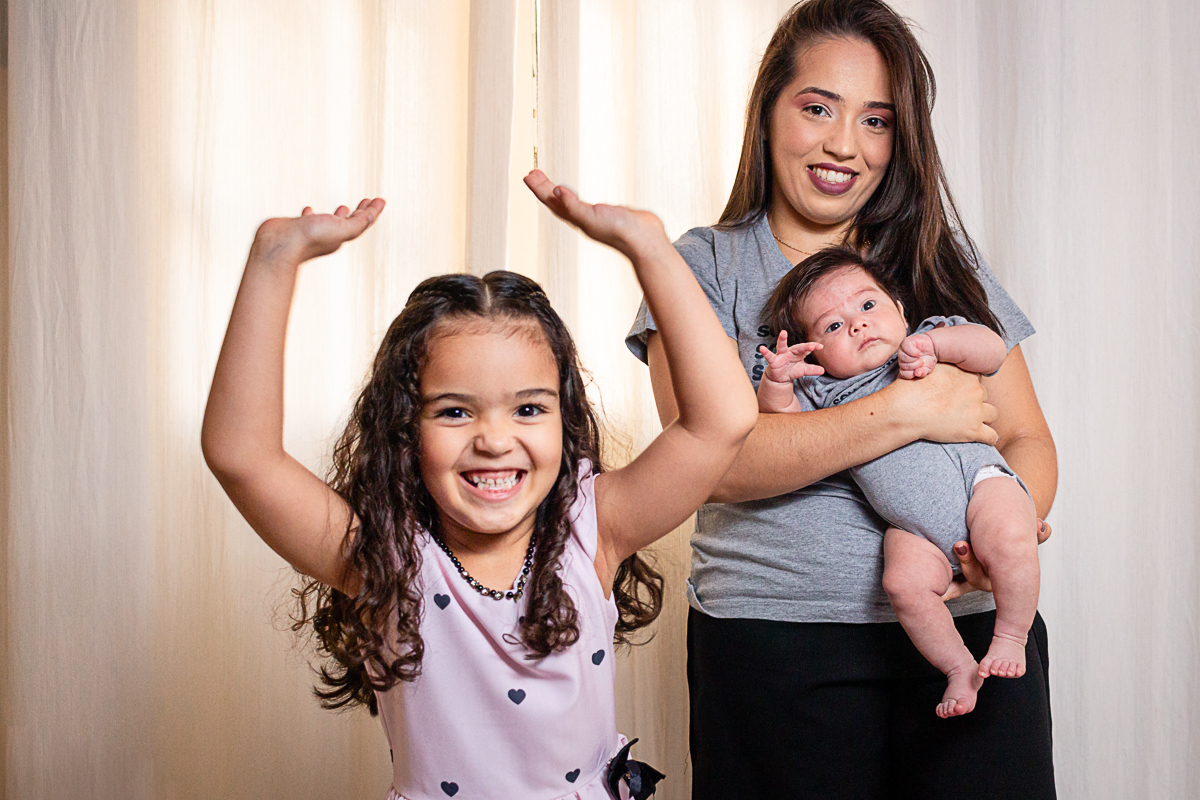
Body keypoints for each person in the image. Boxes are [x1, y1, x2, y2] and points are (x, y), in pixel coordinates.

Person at [200, 178, 757, 800]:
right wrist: (274, 259)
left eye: (528, 409)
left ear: (565, 418)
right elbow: (242, 456)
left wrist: (649, 248)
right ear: (404, 430)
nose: (494, 439)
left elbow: (722, 422)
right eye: (455, 412)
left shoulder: (595, 528)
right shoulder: (387, 557)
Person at [624, 0, 1057, 797]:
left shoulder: (940, 260)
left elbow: (1026, 437)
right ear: (768, 112)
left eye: (876, 121)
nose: (844, 146)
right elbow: (710, 464)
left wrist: (1002, 534)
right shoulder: (703, 265)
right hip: (776, 646)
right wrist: (907, 411)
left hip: (971, 627)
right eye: (818, 108)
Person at [756, 247, 1040, 719]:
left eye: (868, 305)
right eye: (833, 326)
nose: (858, 325)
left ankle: (1011, 637)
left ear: (901, 310)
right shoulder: (823, 390)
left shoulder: (929, 338)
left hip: (978, 483)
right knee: (903, 585)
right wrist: (778, 383)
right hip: (910, 526)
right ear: (814, 350)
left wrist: (939, 344)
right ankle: (958, 667)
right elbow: (782, 432)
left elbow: (991, 349)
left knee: (1011, 536)